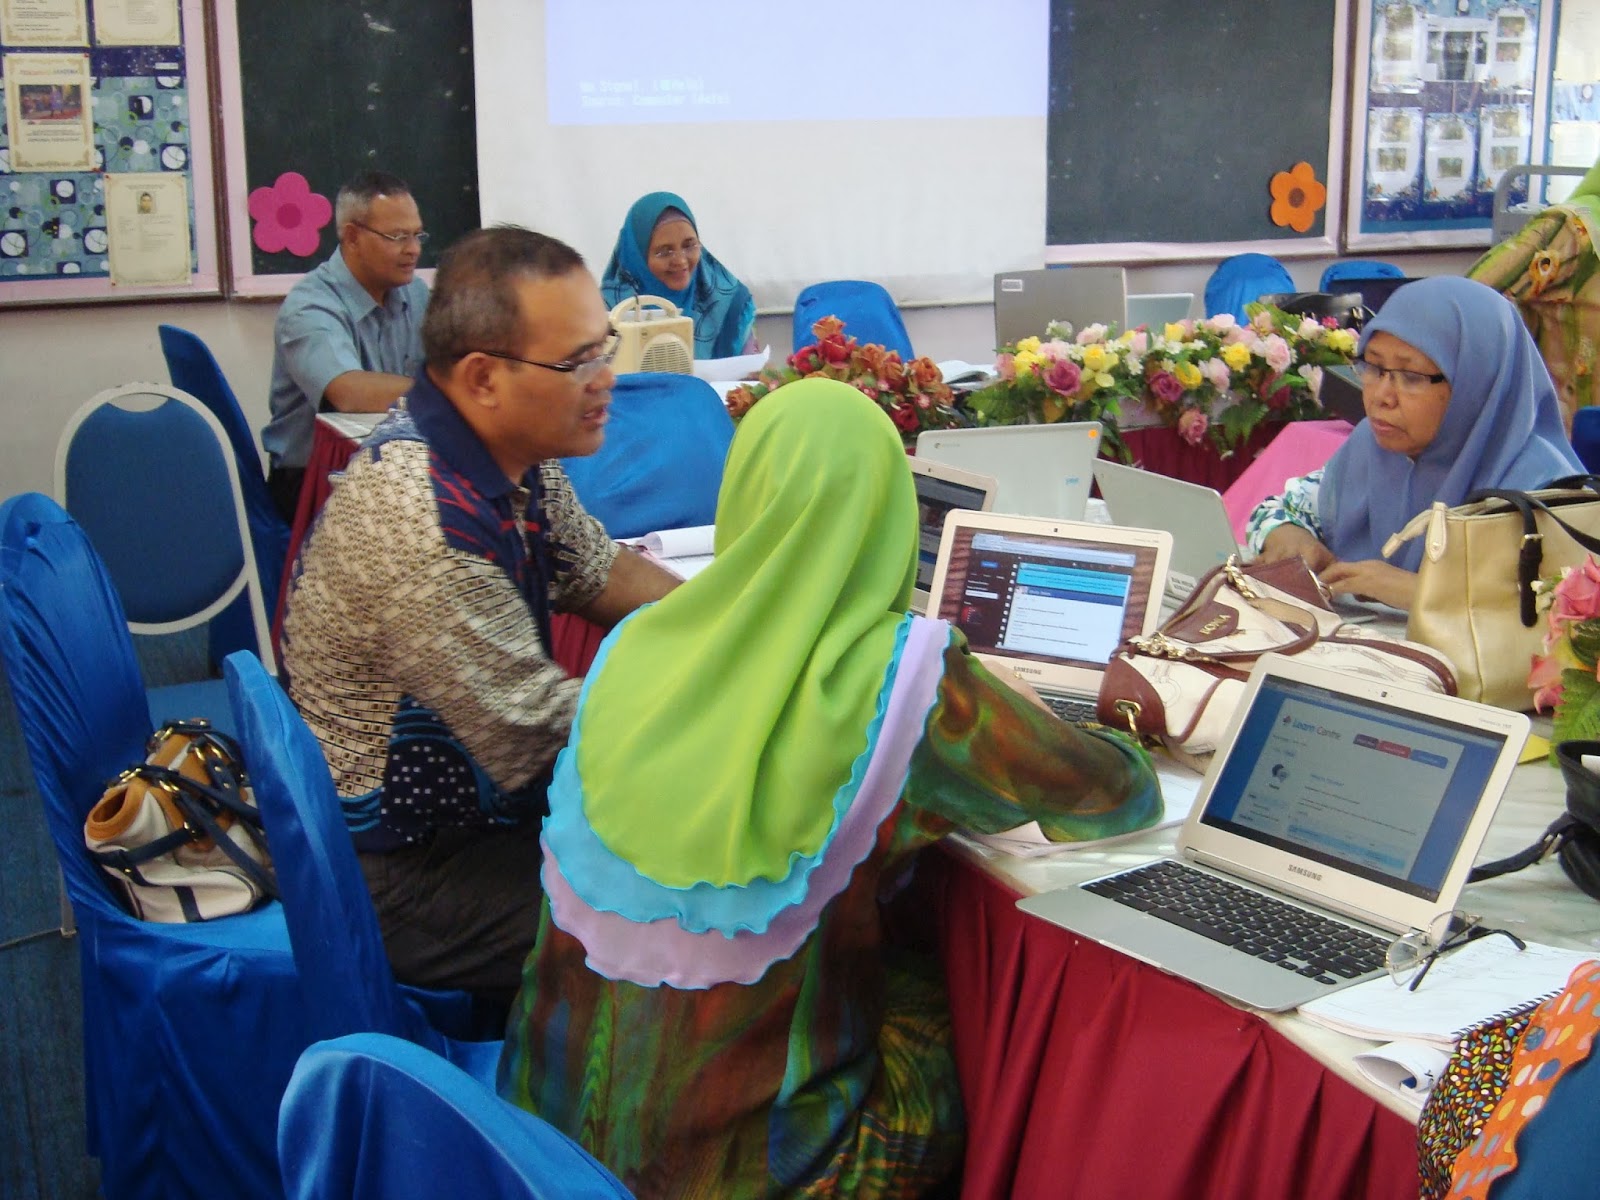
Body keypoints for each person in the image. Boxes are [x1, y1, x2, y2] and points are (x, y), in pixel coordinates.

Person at [498, 377, 1162, 1197]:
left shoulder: (635, 643)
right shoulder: (909, 676)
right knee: (964, 1016)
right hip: (757, 1174)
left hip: (538, 1144)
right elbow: (1115, 800)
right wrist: (1067, 713)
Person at [279, 225, 682, 1000]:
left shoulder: (506, 455)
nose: (608, 379)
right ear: (484, 378)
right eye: (578, 362)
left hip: (467, 819)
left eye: (605, 348)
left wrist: (734, 623)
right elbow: (557, 739)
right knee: (692, 923)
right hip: (403, 872)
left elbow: (601, 571)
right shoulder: (424, 530)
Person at [1247, 275, 1581, 609]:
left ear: (1475, 385)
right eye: (1374, 367)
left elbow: (1564, 612)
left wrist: (1422, 592)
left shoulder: (1548, 492)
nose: (1381, 396)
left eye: (1410, 377)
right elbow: (1279, 509)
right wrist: (1290, 535)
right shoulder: (1374, 448)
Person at [262, 170, 432, 521]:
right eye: (398, 237)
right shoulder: (309, 306)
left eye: (417, 235)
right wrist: (449, 392)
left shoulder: (414, 293)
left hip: (389, 467)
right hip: (312, 481)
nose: (413, 249)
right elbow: (348, 392)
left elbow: (453, 360)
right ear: (352, 237)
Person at [600, 191, 758, 359]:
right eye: (664, 251)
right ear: (636, 257)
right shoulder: (606, 312)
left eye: (689, 246)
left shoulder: (730, 301)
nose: (681, 261)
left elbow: (754, 368)